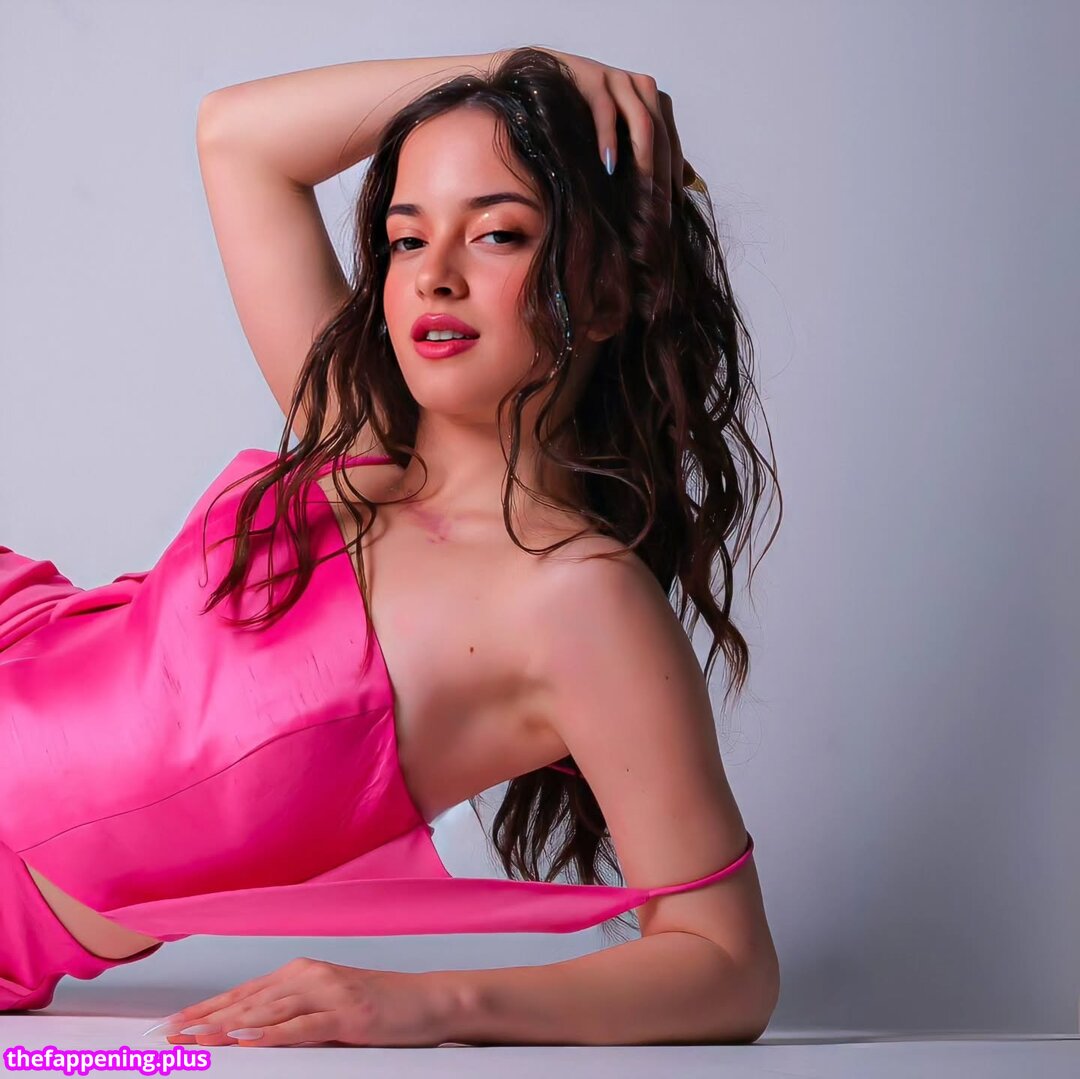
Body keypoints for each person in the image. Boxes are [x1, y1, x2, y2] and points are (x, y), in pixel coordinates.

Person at [1, 46, 782, 1046]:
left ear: (601, 296)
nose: (435, 277)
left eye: (497, 234)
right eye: (407, 240)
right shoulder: (358, 441)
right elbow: (237, 135)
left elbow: (727, 962)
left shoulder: (578, 603)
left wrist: (430, 1001)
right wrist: (514, 68)